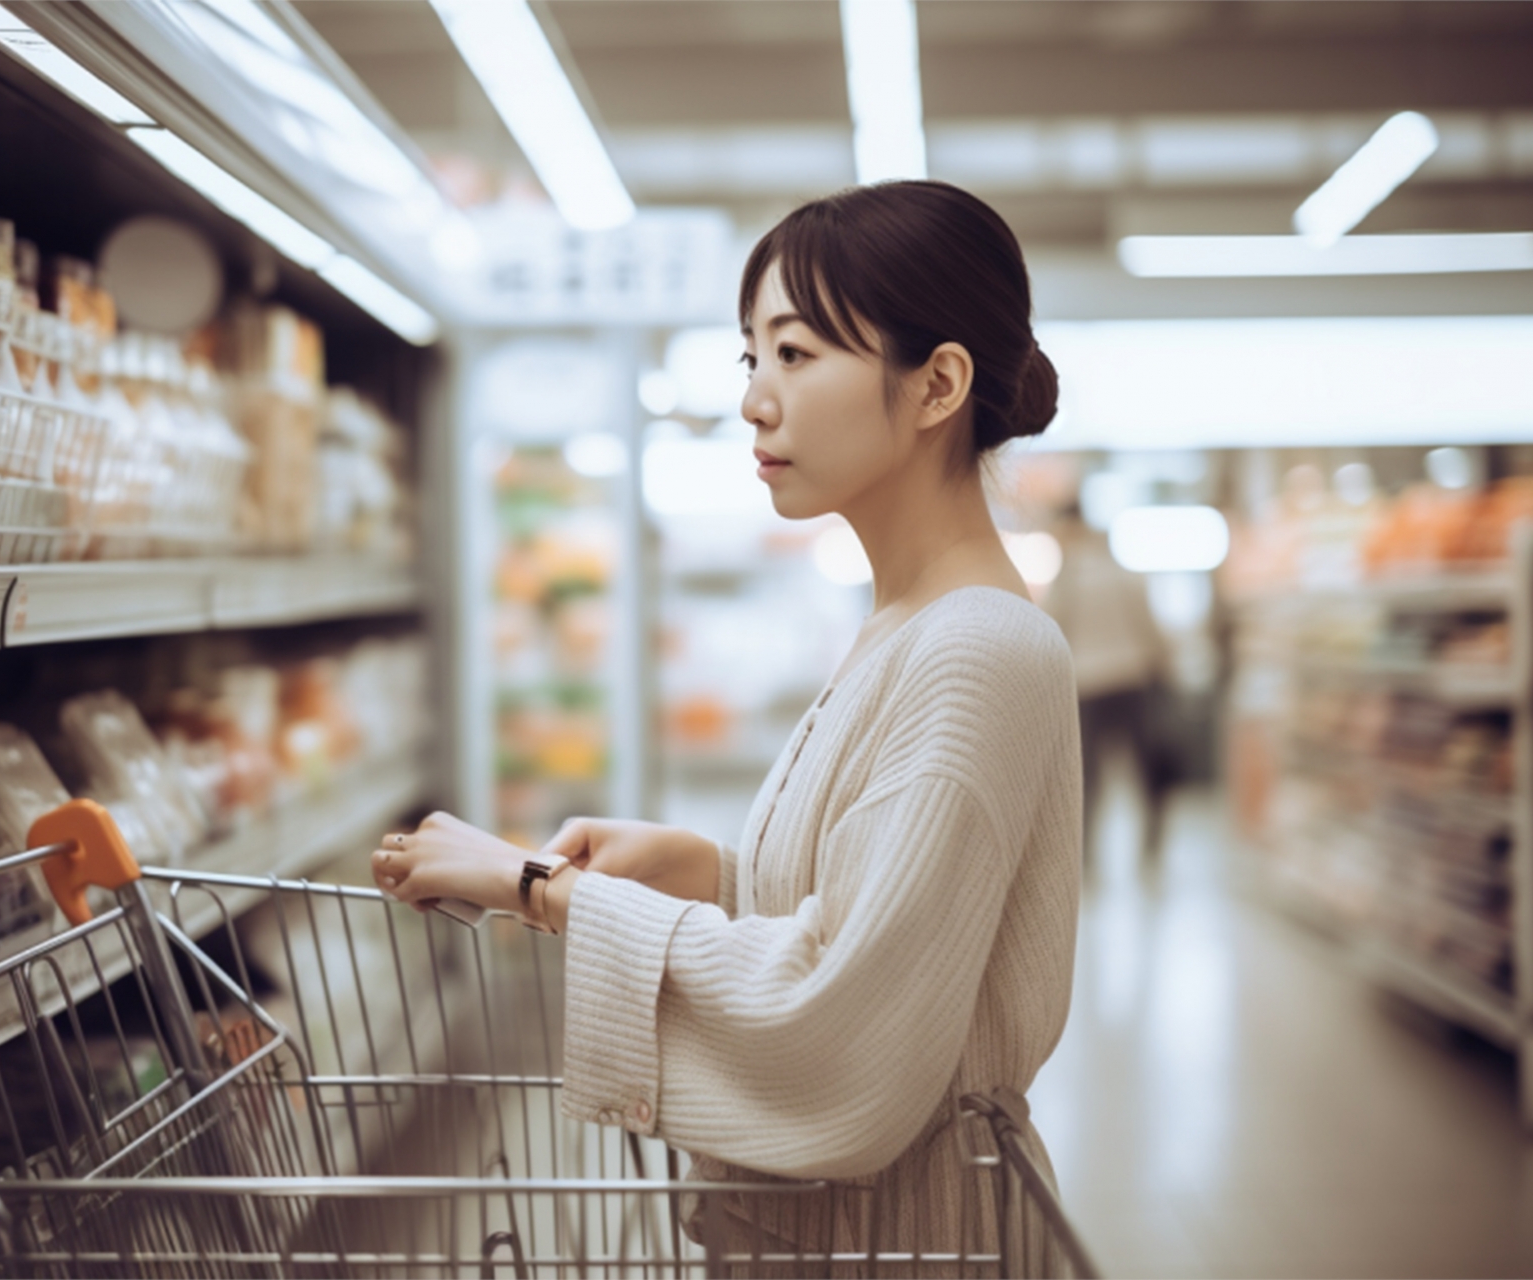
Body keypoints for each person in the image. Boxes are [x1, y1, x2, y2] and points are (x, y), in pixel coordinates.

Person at [373, 181, 1080, 1276]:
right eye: (749, 359)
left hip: (903, 1243)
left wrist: (536, 886)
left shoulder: (975, 647)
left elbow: (848, 1012)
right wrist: (713, 868)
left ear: (938, 382)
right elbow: (890, 913)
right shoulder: (907, 621)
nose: (755, 401)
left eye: (795, 355)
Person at [1045, 502, 1173, 863]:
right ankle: (1151, 842)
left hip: (1086, 685)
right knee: (1143, 766)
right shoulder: (1122, 573)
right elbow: (1151, 628)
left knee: (1087, 775)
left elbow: (1050, 629)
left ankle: (1086, 851)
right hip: (1132, 678)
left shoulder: (1067, 581)